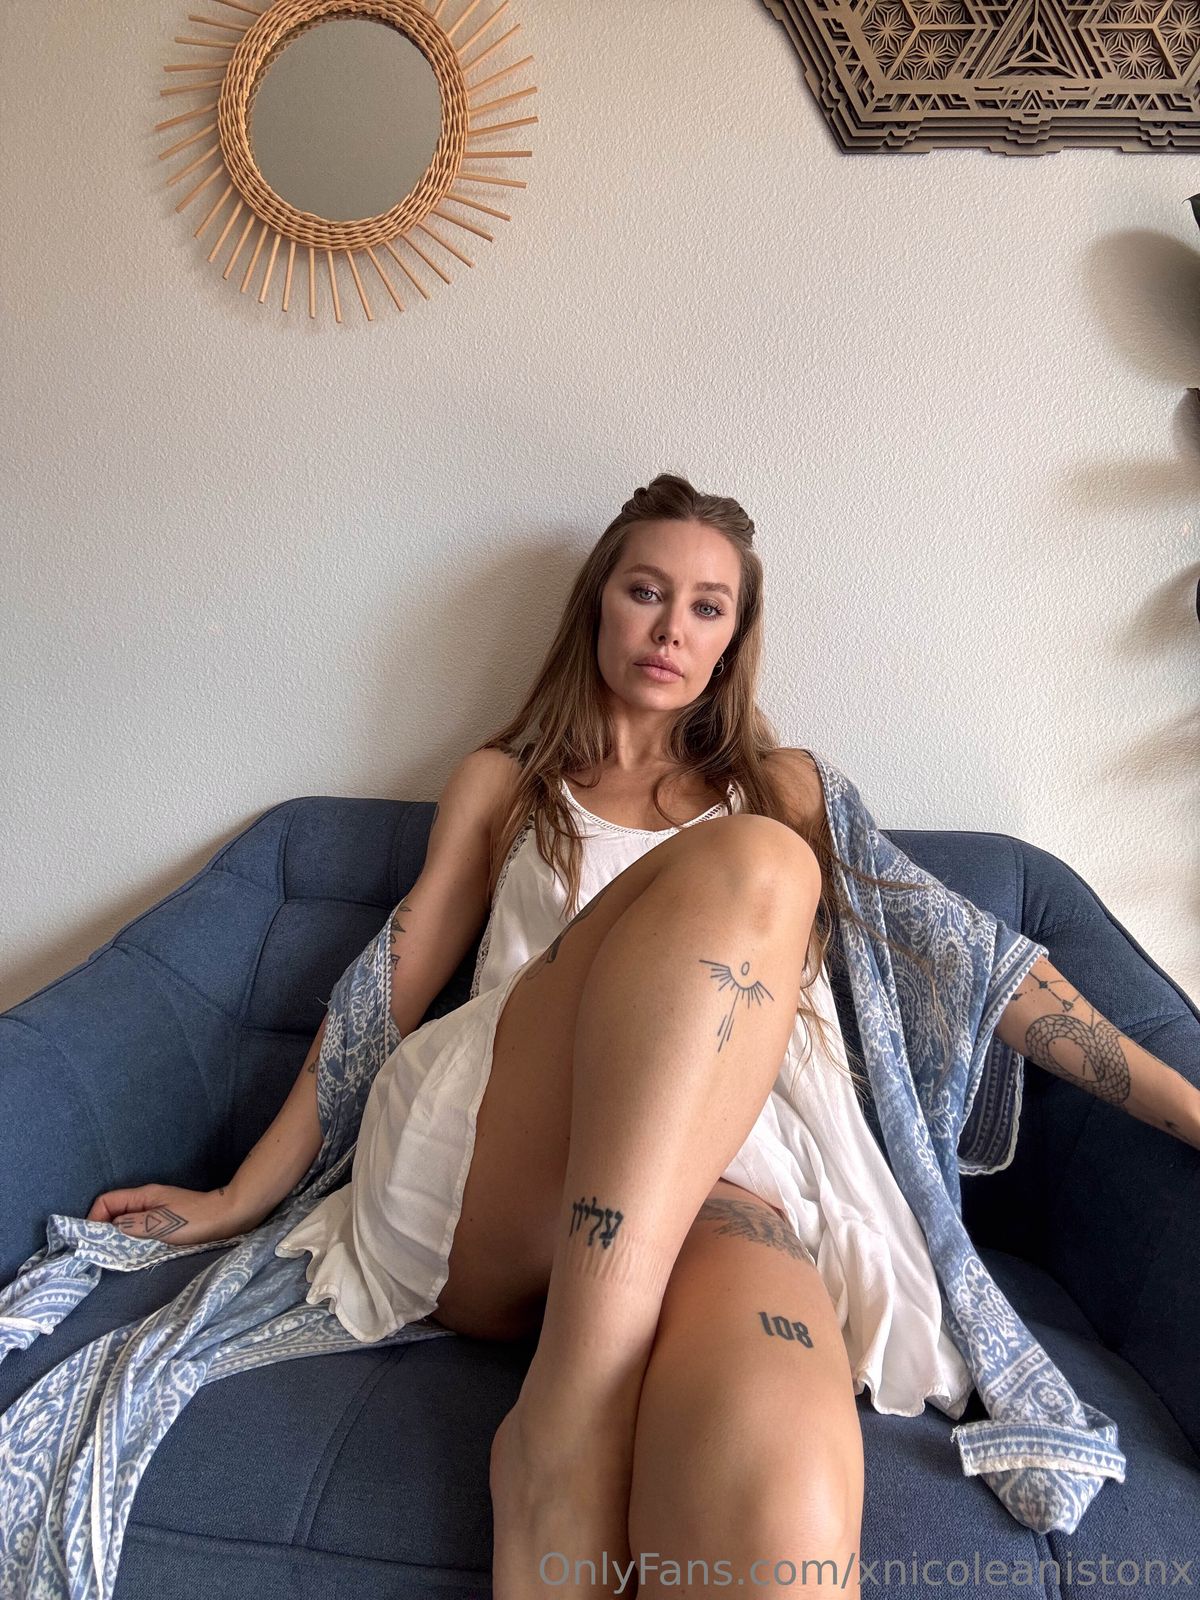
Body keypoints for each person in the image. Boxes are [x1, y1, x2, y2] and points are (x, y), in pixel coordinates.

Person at [86, 472, 981, 1600]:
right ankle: (568, 1420)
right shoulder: (506, 782)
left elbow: (974, 957)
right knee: (754, 864)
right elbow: (383, 999)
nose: (670, 627)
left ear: (734, 639)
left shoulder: (784, 786)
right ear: (597, 602)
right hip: (494, 1160)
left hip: (725, 1181)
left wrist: (1177, 1099)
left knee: (784, 1502)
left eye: (707, 606)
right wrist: (235, 1197)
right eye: (645, 591)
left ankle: (590, 1412)